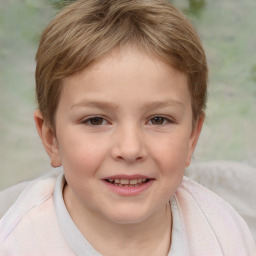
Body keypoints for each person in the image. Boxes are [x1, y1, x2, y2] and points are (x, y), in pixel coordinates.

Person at [0, 0, 255, 255]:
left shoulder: (223, 236)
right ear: (51, 138)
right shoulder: (17, 245)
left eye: (158, 120)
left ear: (191, 137)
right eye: (96, 120)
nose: (130, 149)